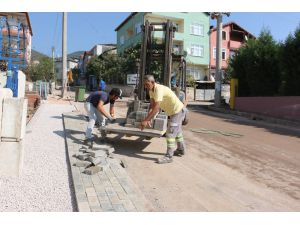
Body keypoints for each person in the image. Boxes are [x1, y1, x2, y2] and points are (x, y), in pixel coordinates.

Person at [140, 75, 186, 164]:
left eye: (147, 84)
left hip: (177, 111)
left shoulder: (158, 89)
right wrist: (149, 118)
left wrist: (146, 120)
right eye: (144, 85)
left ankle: (169, 156)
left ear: (152, 82)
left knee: (170, 133)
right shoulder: (151, 91)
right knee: (177, 132)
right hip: (174, 112)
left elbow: (157, 108)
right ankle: (181, 150)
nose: (146, 86)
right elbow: (152, 105)